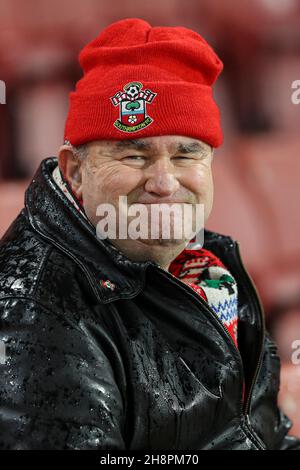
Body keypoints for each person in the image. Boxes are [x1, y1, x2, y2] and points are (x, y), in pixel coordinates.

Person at [0, 17, 299, 451]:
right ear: (75, 171)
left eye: (185, 154)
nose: (164, 182)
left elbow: (260, 433)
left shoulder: (204, 266)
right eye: (135, 155)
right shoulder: (35, 311)